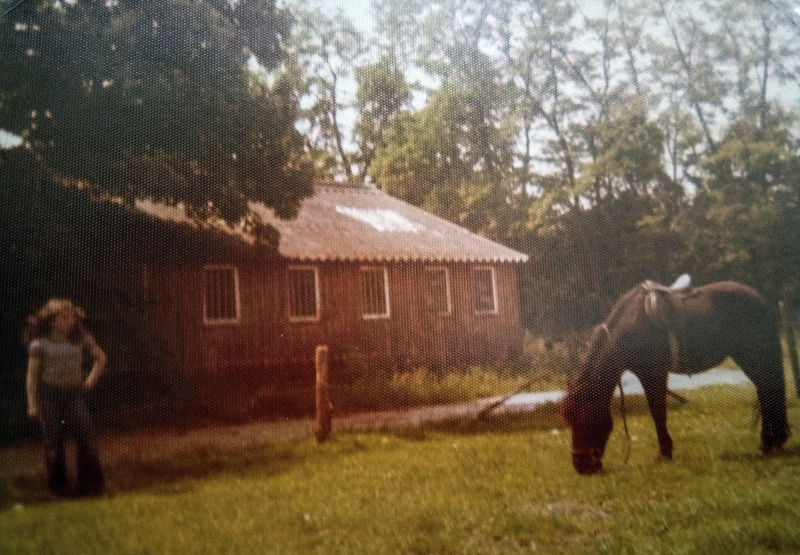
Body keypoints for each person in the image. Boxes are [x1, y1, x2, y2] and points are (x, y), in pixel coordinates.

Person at [24, 298, 107, 497]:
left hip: (73, 396)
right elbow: (32, 376)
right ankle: (59, 489)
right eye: (63, 318)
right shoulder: (39, 344)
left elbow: (101, 358)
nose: (68, 322)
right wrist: (33, 404)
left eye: (71, 318)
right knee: (54, 444)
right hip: (49, 397)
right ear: (52, 321)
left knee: (86, 438)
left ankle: (91, 486)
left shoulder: (81, 339)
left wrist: (90, 380)